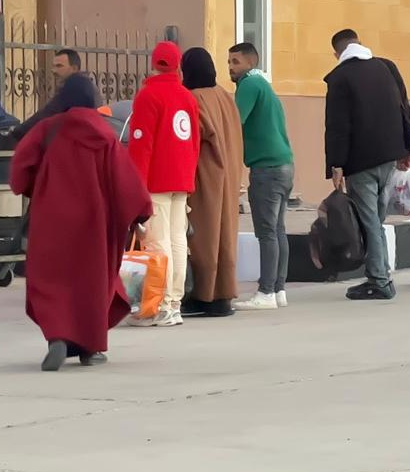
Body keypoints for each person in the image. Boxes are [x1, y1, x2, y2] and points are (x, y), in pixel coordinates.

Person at [10, 74, 152, 370]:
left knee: (53, 281)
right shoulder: (104, 135)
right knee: (91, 282)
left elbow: (20, 171)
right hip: (93, 223)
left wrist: (35, 188)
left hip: (50, 219)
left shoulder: (47, 130)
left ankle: (58, 339)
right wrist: (141, 214)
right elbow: (125, 181)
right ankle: (90, 347)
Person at [324, 29, 410, 300]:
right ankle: (381, 274)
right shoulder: (386, 67)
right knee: (376, 218)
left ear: (336, 53)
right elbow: (403, 106)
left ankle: (379, 280)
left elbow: (337, 126)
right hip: (390, 156)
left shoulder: (339, 78)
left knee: (369, 221)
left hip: (360, 161)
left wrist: (336, 164)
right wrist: (407, 144)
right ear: (360, 44)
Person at [126, 41, 201, 327]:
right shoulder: (186, 97)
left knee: (157, 244)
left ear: (154, 63)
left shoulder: (149, 96)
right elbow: (193, 141)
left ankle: (159, 306)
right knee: (178, 241)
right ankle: (174, 303)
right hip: (181, 179)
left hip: (155, 180)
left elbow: (141, 146)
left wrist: (136, 186)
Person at [227, 42, 295, 310]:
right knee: (278, 230)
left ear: (249, 63)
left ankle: (266, 291)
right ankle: (278, 289)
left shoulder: (249, 86)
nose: (231, 67)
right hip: (284, 164)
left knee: (266, 232)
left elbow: (235, 122)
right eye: (229, 62)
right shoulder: (264, 85)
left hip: (266, 167)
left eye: (235, 62)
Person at [180, 48, 244, 318]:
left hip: (204, 175)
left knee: (202, 238)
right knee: (225, 236)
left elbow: (190, 140)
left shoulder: (193, 99)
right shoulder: (224, 96)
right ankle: (223, 295)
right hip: (229, 172)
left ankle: (204, 295)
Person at [8, 49, 84, 143]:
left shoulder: (73, 88)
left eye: (59, 66)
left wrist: (18, 132)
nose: (53, 70)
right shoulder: (84, 85)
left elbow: (48, 113)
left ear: (74, 68)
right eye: (53, 66)